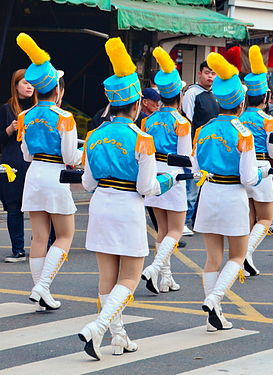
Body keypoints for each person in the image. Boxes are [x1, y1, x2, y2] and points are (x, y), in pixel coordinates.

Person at [78, 37, 179, 360]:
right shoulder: (142, 138)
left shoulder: (94, 135)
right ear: (136, 105)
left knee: (107, 276)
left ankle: (118, 336)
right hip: (127, 207)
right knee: (132, 275)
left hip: (101, 205)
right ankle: (99, 327)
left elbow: (88, 182)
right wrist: (169, 178)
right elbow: (146, 187)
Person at [193, 52, 267, 331]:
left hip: (209, 192)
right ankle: (215, 300)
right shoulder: (243, 133)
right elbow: (249, 178)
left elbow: (197, 166)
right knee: (237, 255)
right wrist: (264, 173)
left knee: (212, 258)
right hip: (233, 195)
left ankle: (214, 315)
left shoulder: (203, 130)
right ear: (240, 103)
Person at [15, 33, 82, 311]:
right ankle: (42, 286)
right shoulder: (64, 117)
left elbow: (26, 154)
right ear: (57, 90)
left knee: (39, 236)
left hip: (34, 175)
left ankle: (42, 294)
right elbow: (70, 157)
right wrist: (84, 155)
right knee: (65, 235)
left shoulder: (24, 117)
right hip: (55, 175)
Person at [141, 47, 191, 294]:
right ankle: (154, 269)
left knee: (162, 229)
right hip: (173, 174)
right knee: (176, 229)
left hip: (153, 172)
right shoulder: (182, 122)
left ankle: (165, 277)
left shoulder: (148, 120)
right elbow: (185, 157)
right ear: (179, 94)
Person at [239, 46, 273, 276]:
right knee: (266, 217)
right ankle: (245, 253)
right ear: (266, 97)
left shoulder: (238, 119)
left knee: (247, 215)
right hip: (262, 168)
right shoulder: (269, 120)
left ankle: (242, 259)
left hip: (241, 169)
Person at [0, 69, 36, 263]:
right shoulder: (6, 109)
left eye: (32, 83)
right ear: (16, 86)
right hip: (12, 162)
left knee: (40, 207)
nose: (29, 86)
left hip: (35, 162)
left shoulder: (40, 109)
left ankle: (41, 247)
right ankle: (18, 250)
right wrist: (9, 129)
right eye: (24, 83)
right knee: (14, 207)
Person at [182, 61, 220, 236]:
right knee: (193, 187)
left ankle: (199, 220)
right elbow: (187, 121)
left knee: (207, 187)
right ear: (199, 74)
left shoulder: (215, 95)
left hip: (212, 146)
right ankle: (183, 222)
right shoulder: (192, 93)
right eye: (207, 73)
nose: (210, 76)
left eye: (213, 73)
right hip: (195, 147)